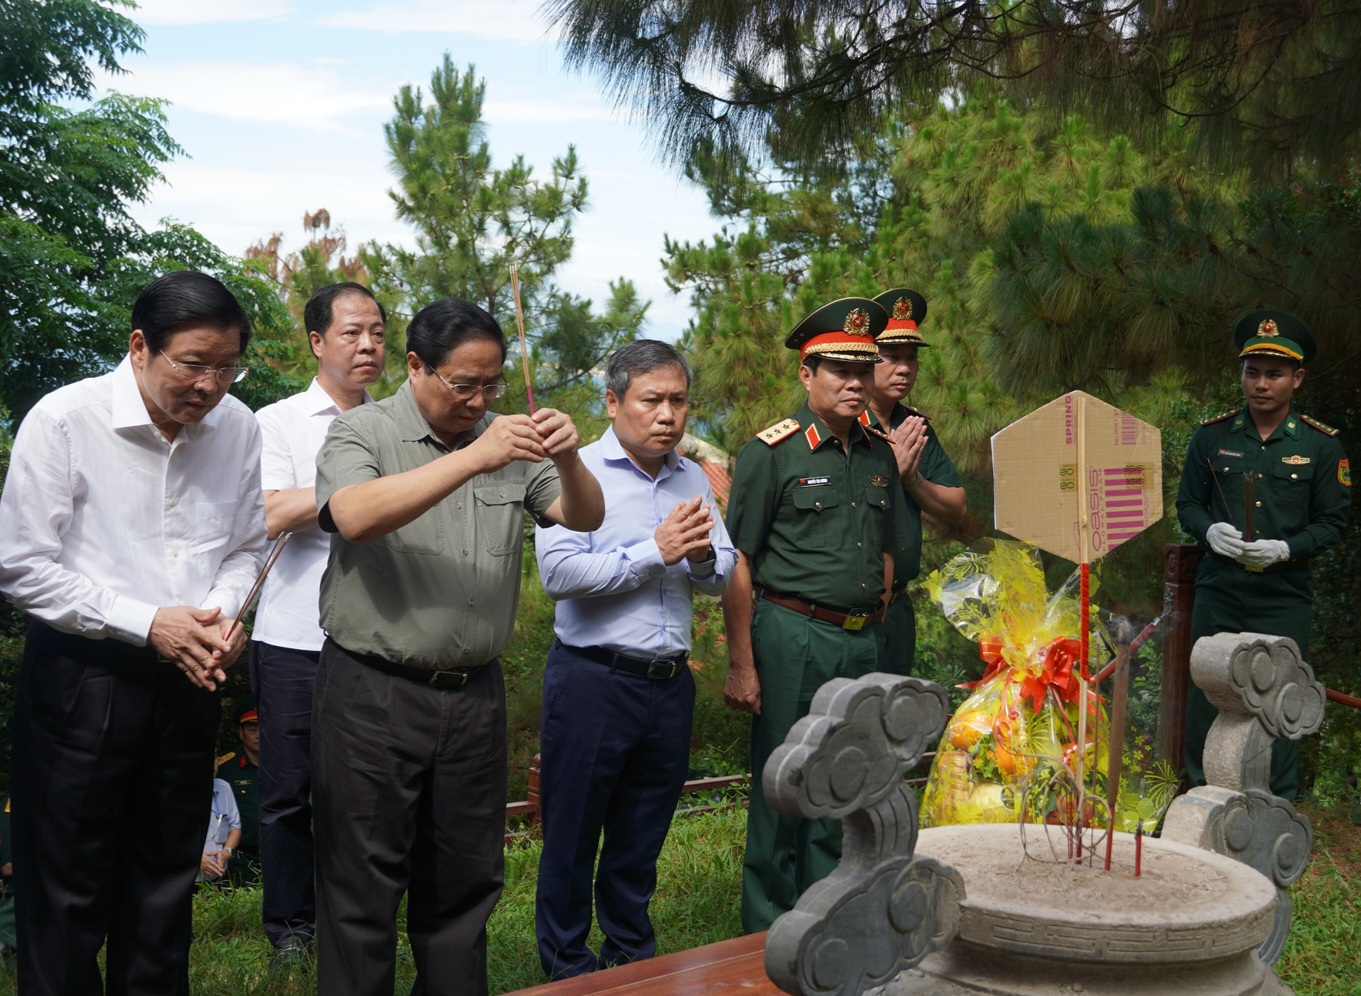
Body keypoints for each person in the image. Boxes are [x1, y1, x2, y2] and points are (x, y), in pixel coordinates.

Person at [311, 296, 605, 996]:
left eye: (491, 384)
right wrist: (475, 460)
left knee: (465, 880)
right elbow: (352, 516)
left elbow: (585, 516)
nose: (478, 400)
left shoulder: (508, 436)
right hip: (371, 692)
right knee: (362, 884)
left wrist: (567, 458)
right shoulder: (362, 431)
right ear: (415, 366)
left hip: (473, 696)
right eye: (462, 384)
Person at [0, 271, 266, 994]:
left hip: (187, 677)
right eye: (193, 363)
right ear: (141, 346)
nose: (210, 385)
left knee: (162, 888)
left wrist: (217, 615)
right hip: (83, 679)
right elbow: (23, 568)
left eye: (226, 366)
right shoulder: (64, 420)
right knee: (65, 893)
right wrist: (150, 623)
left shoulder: (238, 425)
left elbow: (247, 544)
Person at [534, 340, 737, 979]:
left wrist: (701, 556)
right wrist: (656, 551)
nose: (668, 415)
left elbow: (722, 568)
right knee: (572, 834)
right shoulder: (574, 470)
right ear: (613, 400)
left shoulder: (691, 476)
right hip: (594, 679)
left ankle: (629, 959)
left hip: (667, 683)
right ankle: (568, 967)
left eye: (678, 401)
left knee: (642, 831)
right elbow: (560, 573)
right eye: (652, 400)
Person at [720, 297, 899, 933]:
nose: (855, 384)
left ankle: (823, 922)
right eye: (839, 371)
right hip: (790, 634)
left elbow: (886, 548)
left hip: (857, 643)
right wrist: (742, 661)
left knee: (838, 784)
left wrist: (873, 610)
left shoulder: (879, 452)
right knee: (781, 785)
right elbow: (737, 559)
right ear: (806, 374)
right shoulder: (773, 453)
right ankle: (764, 931)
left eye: (864, 371)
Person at [249, 281, 386, 959]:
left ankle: (350, 921)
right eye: (352, 333)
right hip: (294, 638)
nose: (367, 346)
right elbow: (272, 512)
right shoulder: (276, 422)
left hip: (377, 639)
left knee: (364, 795)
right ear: (316, 342)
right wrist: (366, 493)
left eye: (379, 333)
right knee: (287, 792)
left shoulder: (397, 421)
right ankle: (290, 929)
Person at [1176, 309, 1351, 799]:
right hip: (1220, 587)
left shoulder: (1321, 447)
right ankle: (1200, 801)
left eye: (1274, 373)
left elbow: (1333, 522)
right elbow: (1188, 503)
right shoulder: (1211, 438)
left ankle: (1274, 810)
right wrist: (1209, 532)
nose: (1261, 384)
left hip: (1284, 593)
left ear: (1297, 378)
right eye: (1252, 371)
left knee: (1279, 698)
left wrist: (1286, 549)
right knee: (1207, 693)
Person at [864, 288, 966, 675]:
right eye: (890, 358)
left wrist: (911, 478)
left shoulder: (915, 426)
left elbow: (956, 506)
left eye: (911, 358)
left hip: (899, 606)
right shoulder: (843, 427)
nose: (904, 368)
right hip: (848, 608)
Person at [225, 699, 262, 886]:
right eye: (252, 730)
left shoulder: (284, 767)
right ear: (241, 733)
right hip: (240, 858)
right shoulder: (227, 769)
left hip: (279, 852)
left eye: (262, 729)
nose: (258, 735)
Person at [201, 765, 242, 884]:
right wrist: (195, 858)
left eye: (213, 758)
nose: (211, 765)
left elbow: (235, 827)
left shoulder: (223, 787)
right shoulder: (175, 789)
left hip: (218, 876)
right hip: (186, 877)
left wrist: (227, 851)